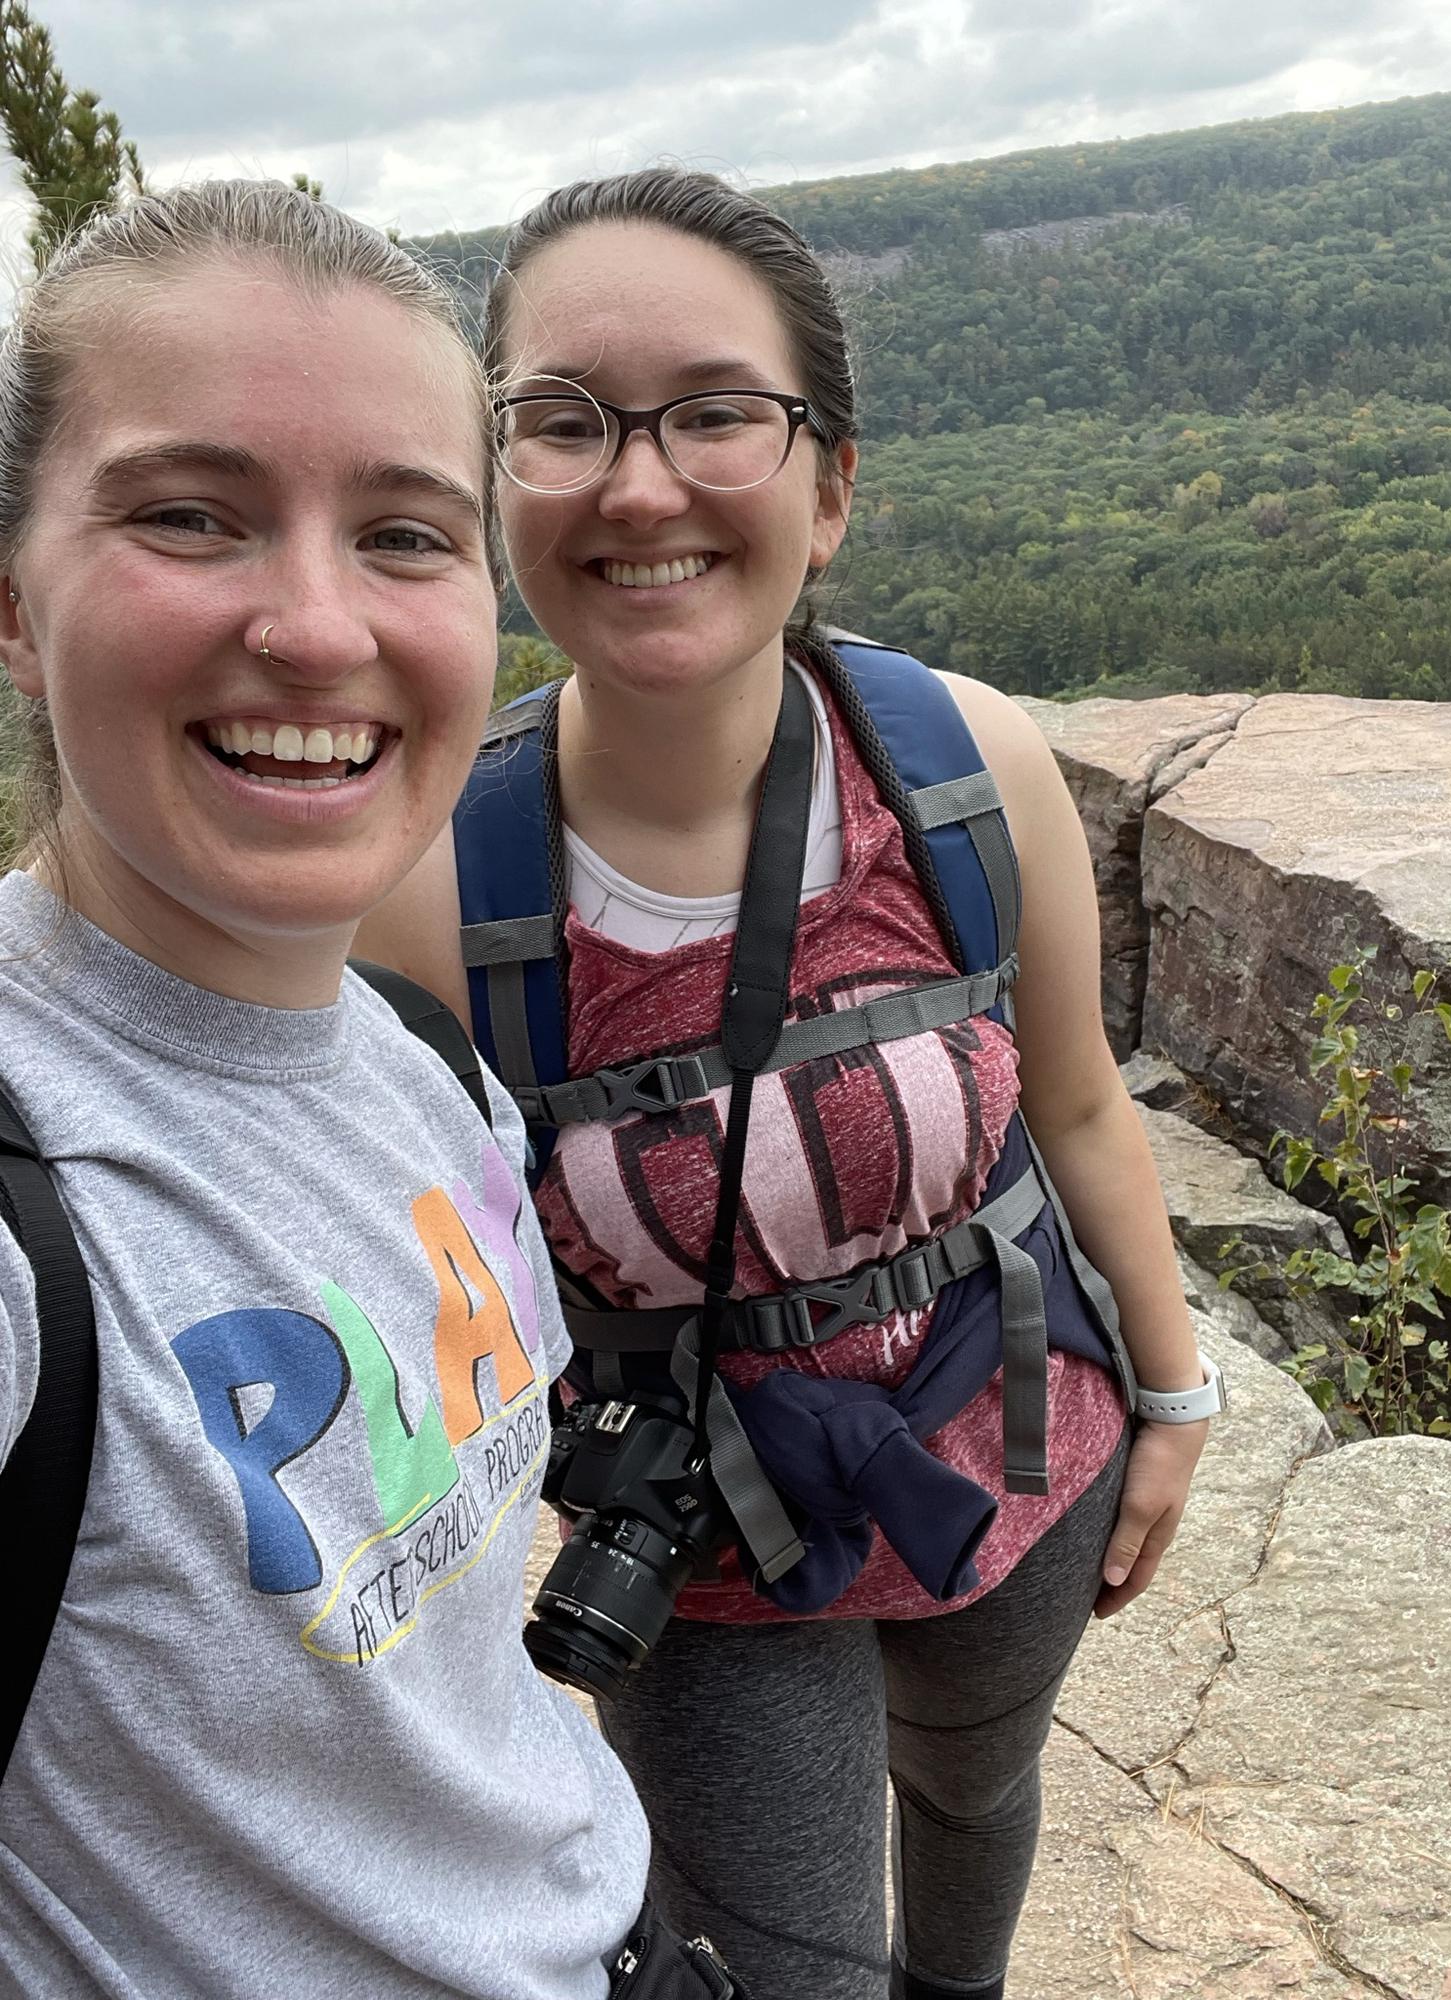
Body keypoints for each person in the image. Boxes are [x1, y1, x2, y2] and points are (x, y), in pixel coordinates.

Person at [358, 167, 1220, 2000]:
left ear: (827, 487)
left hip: (1015, 1441)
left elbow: (1069, 1100)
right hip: (704, 1547)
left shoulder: (962, 768)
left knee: (979, 1795)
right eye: (565, 420)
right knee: (788, 1966)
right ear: (500, 478)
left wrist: (1175, 1387)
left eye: (718, 414)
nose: (641, 481)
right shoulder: (434, 893)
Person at [0, 181, 659, 1999]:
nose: (313, 625)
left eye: (404, 535)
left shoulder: (420, 1057)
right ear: (10, 599)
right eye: (189, 516)